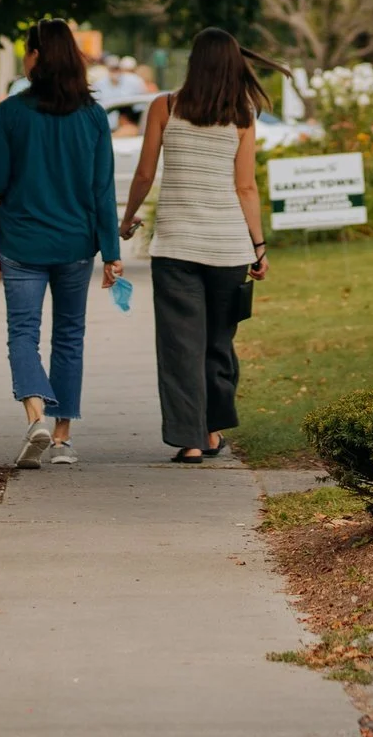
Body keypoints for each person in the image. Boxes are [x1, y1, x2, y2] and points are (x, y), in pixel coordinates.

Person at [120, 28, 270, 464]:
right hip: (227, 250)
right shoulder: (242, 115)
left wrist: (128, 218)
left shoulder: (165, 106)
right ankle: (211, 431)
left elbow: (145, 174)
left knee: (179, 346)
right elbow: (246, 187)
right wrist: (258, 247)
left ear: (194, 62)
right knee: (218, 343)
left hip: (177, 247)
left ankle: (189, 441)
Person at [0, 19, 121, 468]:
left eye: (26, 50)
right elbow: (103, 189)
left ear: (37, 56)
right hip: (76, 243)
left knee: (23, 333)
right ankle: (62, 440)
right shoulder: (93, 116)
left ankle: (35, 416)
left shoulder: (11, 113)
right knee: (69, 337)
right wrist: (112, 252)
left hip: (22, 240)